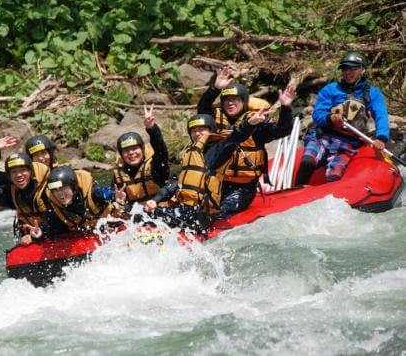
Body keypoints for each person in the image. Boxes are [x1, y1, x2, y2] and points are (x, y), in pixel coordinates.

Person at [143, 111, 267, 232]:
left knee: (142, 217)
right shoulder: (192, 154)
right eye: (194, 130)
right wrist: (155, 199)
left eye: (202, 129)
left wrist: (250, 124)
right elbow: (175, 182)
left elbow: (235, 138)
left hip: (202, 216)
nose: (197, 133)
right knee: (145, 213)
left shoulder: (219, 150)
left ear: (211, 131)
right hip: (187, 211)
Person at [197, 67, 296, 217]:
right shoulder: (214, 121)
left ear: (244, 102)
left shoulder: (257, 123)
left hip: (242, 187)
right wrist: (215, 88)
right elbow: (203, 108)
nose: (230, 103)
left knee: (222, 213)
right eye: (227, 100)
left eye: (235, 100)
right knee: (197, 209)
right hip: (215, 181)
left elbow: (283, 130)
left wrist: (286, 107)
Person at [295, 52, 390, 185]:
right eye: (345, 69)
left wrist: (381, 138)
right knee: (307, 162)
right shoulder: (331, 89)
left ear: (363, 69)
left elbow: (381, 116)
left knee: (334, 175)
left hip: (349, 141)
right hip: (323, 135)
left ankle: (330, 198)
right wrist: (330, 118)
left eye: (353, 69)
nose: (348, 72)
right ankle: (297, 189)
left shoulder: (373, 94)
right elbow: (318, 113)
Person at [28, 165, 124, 238]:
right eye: (55, 190)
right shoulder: (55, 209)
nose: (60, 194)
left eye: (62, 188)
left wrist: (115, 197)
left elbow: (107, 193)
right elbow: (48, 227)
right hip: (90, 237)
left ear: (73, 187)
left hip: (114, 228)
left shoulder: (95, 194)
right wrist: (39, 234)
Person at [112, 104, 170, 210]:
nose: (131, 153)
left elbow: (161, 150)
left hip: (161, 214)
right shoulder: (118, 175)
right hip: (136, 220)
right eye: (126, 151)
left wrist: (152, 129)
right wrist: (118, 202)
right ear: (121, 155)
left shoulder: (155, 166)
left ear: (142, 150)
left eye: (135, 148)